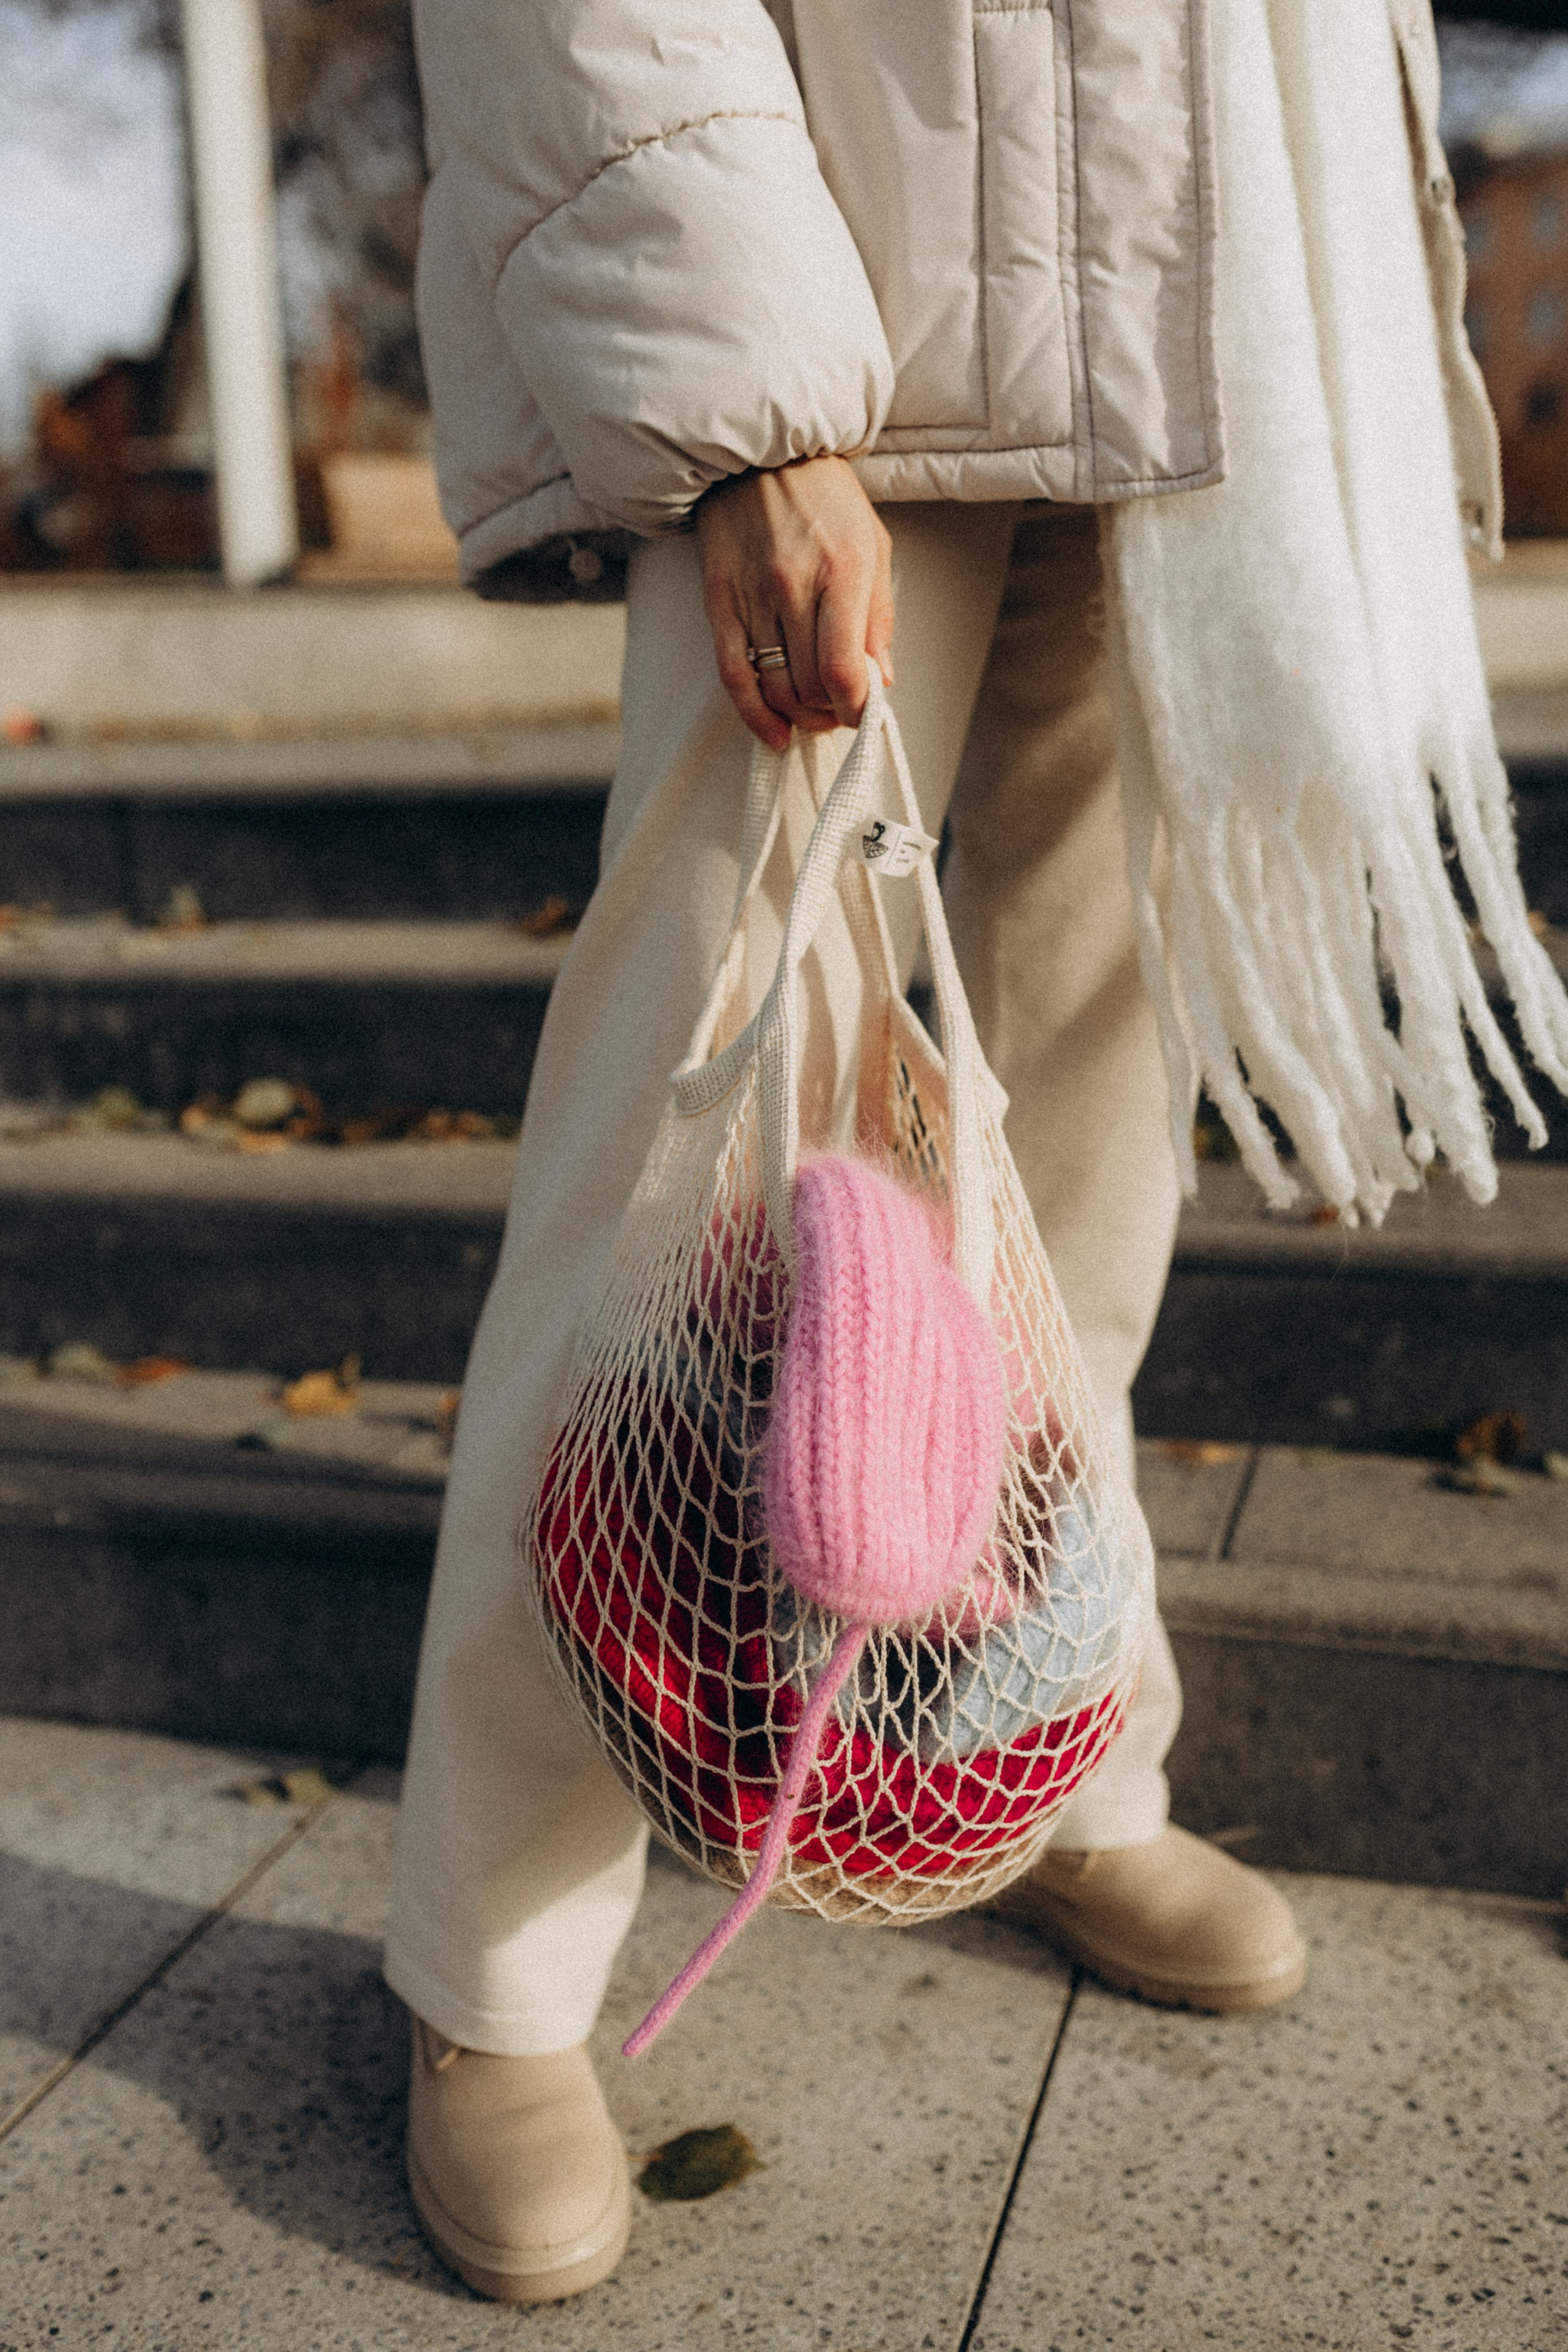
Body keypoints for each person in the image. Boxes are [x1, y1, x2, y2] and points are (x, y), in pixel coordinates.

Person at [383, 0, 1551, 2306]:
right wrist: (741, 398)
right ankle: (490, 1964)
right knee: (671, 1140)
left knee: (1074, 1165)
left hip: (1198, 341)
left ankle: (1034, 1750)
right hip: (848, 310)